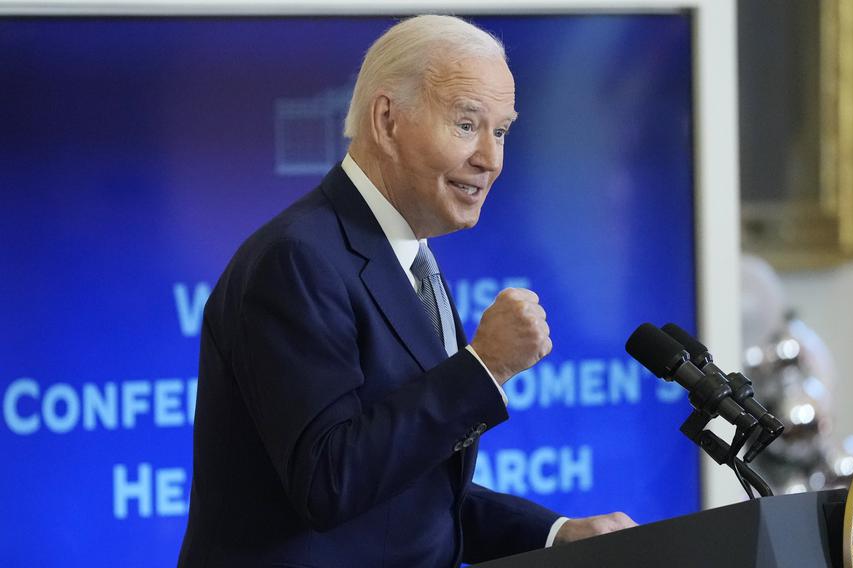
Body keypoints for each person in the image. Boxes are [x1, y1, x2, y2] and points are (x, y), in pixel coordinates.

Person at [178, 14, 635, 567]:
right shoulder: (298, 259)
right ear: (388, 119)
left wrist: (554, 534)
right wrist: (484, 367)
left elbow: (408, 489)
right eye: (467, 124)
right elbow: (330, 481)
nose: (489, 159)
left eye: (501, 131)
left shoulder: (409, 258)